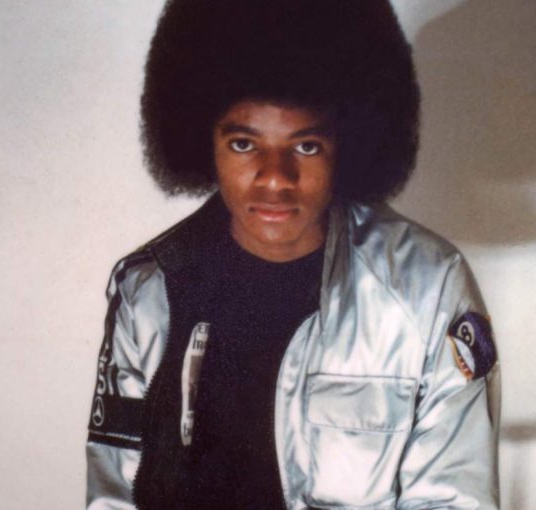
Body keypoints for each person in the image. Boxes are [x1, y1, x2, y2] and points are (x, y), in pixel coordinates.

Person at [86, 1, 500, 509]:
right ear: (202, 142)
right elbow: (113, 495)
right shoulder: (148, 289)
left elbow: (454, 499)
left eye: (306, 146)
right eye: (244, 144)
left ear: (346, 145)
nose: (276, 178)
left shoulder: (428, 287)